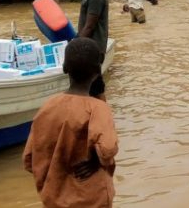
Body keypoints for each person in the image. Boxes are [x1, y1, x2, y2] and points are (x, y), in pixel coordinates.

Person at [22, 37, 118, 208]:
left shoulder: (47, 107)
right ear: (98, 69)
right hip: (92, 199)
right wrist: (95, 162)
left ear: (65, 68)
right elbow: (108, 148)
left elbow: (29, 159)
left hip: (54, 198)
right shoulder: (98, 109)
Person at [77, 0, 108, 100]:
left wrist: (75, 47)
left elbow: (90, 26)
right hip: (89, 48)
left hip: (91, 49)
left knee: (95, 89)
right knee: (91, 88)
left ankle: (103, 119)